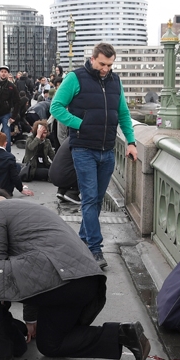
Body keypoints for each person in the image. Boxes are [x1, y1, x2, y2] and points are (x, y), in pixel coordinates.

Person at [0, 196, 151, 360]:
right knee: (51, 344)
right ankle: (123, 334)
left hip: (60, 276)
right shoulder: (32, 213)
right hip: (83, 282)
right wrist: (31, 318)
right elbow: (28, 268)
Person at [50, 42, 138, 270]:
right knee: (89, 198)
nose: (106, 69)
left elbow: (123, 114)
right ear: (92, 59)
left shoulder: (115, 81)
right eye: (102, 64)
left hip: (107, 150)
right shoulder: (75, 78)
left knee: (97, 200)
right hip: (83, 149)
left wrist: (130, 142)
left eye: (110, 64)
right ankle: (95, 249)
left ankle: (82, 239)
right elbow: (56, 107)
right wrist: (80, 124)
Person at [0, 66, 20, 152]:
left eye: (5, 72)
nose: (3, 73)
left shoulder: (11, 86)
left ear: (8, 74)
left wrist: (13, 117)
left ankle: (7, 153)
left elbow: (17, 101)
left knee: (6, 134)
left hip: (6, 114)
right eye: (2, 71)